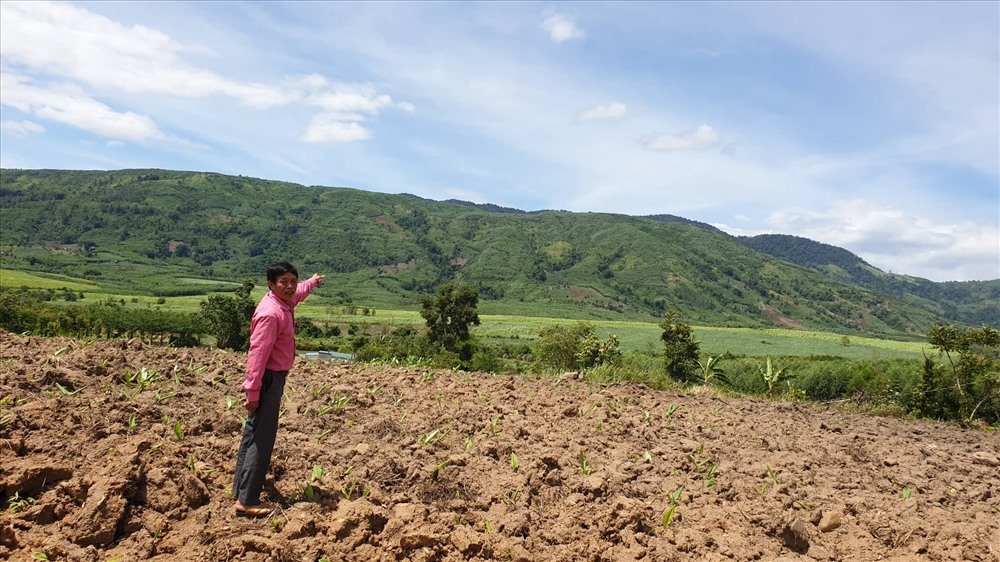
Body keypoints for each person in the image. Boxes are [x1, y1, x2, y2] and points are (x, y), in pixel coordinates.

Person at [232, 261, 324, 517]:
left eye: (293, 281)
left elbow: (299, 291)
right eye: (283, 282)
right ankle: (247, 500)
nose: (290, 286)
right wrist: (252, 391)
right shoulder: (271, 313)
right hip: (268, 380)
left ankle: (240, 490)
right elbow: (257, 354)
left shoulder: (285, 301)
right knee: (261, 440)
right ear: (271, 284)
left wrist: (313, 282)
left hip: (270, 379)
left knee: (252, 433)